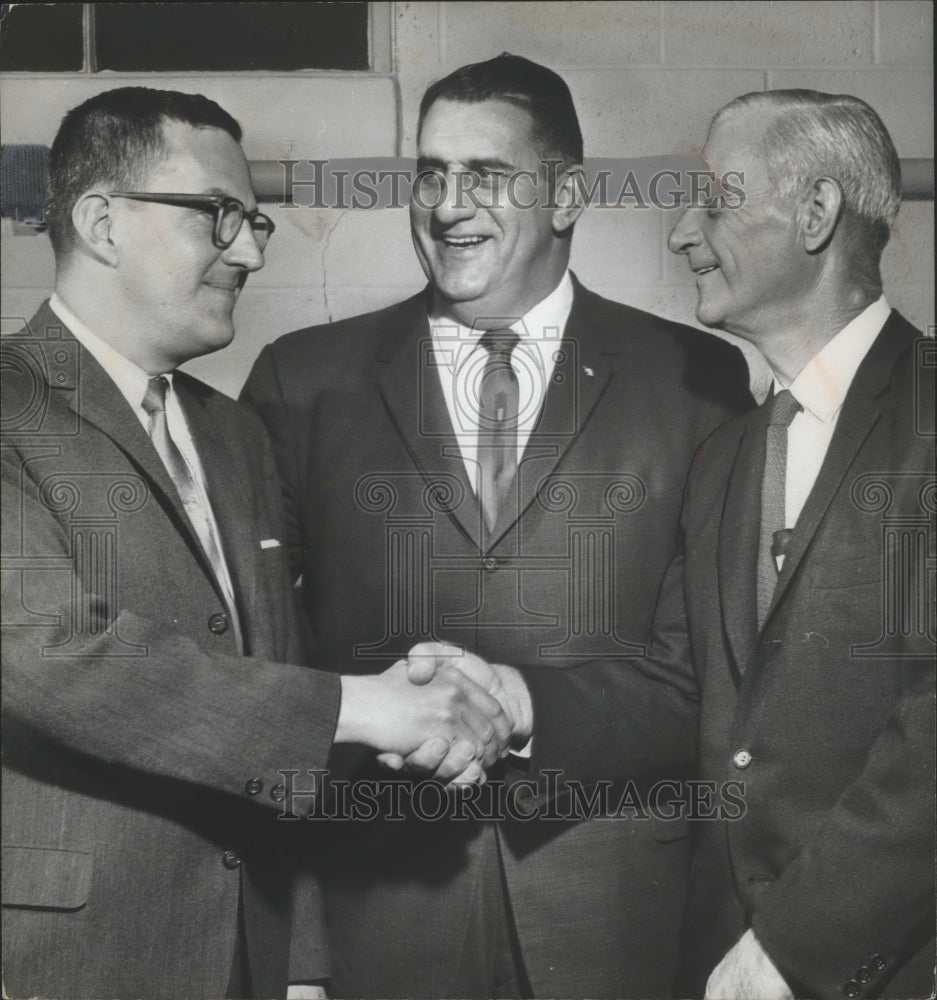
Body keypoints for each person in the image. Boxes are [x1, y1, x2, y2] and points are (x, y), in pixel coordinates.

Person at [242, 54, 751, 998]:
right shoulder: (301, 380)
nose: (445, 204)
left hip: (615, 915)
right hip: (372, 912)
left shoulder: (698, 383)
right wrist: (295, 947)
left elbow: (707, 678)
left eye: (485, 175)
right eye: (430, 173)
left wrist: (521, 704)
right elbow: (268, 671)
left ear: (565, 196)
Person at [0, 86, 513, 1000]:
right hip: (71, 963)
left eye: (255, 222)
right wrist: (364, 707)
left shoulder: (233, 435)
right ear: (101, 222)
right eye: (217, 216)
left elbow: (272, 675)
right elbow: (49, 653)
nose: (248, 251)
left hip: (253, 956)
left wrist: (304, 961)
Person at [654, 89, 934, 998]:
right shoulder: (726, 456)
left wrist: (789, 948)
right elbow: (677, 687)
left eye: (715, 202)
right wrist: (517, 702)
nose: (681, 236)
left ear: (815, 214)